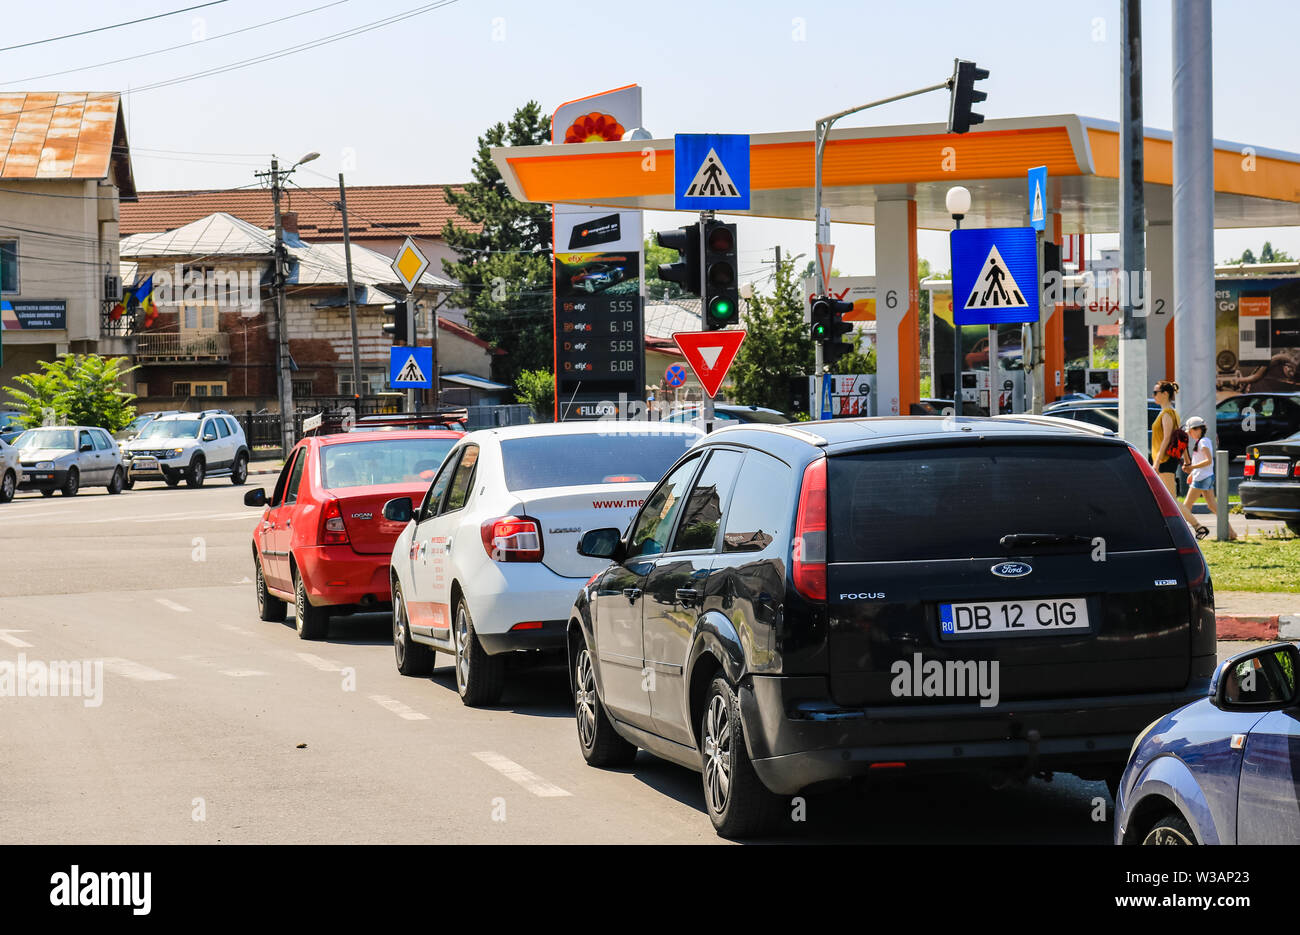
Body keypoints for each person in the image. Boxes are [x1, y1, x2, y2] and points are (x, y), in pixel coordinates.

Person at [1181, 416, 1236, 541]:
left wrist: (1192, 468)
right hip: (1204, 477)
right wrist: (1192, 473)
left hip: (1201, 478)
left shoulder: (1202, 442)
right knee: (1212, 506)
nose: (1189, 434)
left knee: (1185, 507)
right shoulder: (1202, 441)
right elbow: (1203, 461)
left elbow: (1208, 460)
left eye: (1190, 431)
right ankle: (1231, 533)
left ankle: (1182, 535)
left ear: (1197, 429)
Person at [1150, 380, 1182, 497]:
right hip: (1167, 459)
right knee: (1166, 499)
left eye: (1155, 392)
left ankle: (1189, 517)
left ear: (1165, 394)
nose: (1153, 395)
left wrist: (1157, 461)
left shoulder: (1167, 413)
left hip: (1165, 460)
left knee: (1172, 501)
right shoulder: (1170, 412)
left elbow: (1167, 437)